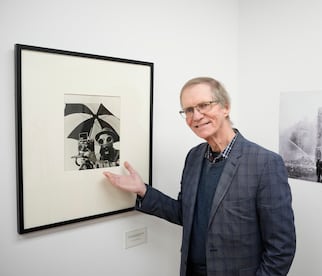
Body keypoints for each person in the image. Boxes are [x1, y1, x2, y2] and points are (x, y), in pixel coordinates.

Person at [103, 77, 296, 276]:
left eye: (204, 105)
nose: (196, 116)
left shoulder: (265, 163)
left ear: (225, 107)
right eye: (188, 110)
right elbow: (184, 213)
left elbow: (281, 248)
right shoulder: (194, 157)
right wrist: (143, 190)